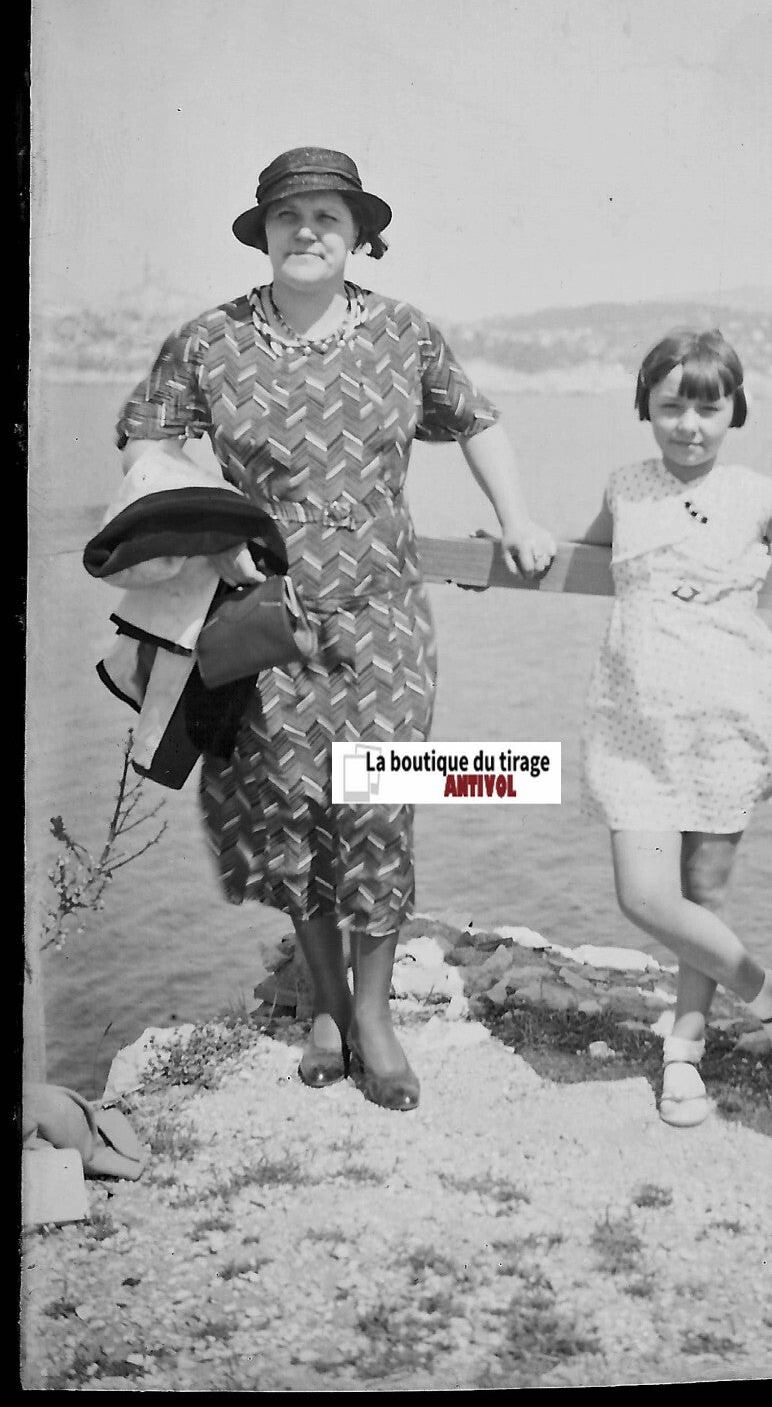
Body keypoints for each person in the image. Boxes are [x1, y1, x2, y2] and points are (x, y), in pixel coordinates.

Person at [115, 147, 556, 1112]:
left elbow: (477, 422)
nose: (306, 231)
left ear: (359, 235)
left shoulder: (404, 334)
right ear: (264, 234)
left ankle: (374, 1016)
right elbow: (146, 439)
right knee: (289, 809)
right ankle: (323, 1005)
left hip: (383, 616)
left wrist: (518, 517)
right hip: (266, 620)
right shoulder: (211, 341)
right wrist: (209, 528)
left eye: (327, 216)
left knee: (377, 807)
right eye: (289, 216)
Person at [579, 327, 772, 1127]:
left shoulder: (759, 495)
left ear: (734, 410)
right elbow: (576, 556)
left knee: (703, 894)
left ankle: (684, 1053)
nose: (689, 425)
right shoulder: (625, 487)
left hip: (730, 718)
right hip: (634, 722)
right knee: (644, 896)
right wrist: (504, 550)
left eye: (708, 408)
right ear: (646, 408)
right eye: (671, 407)